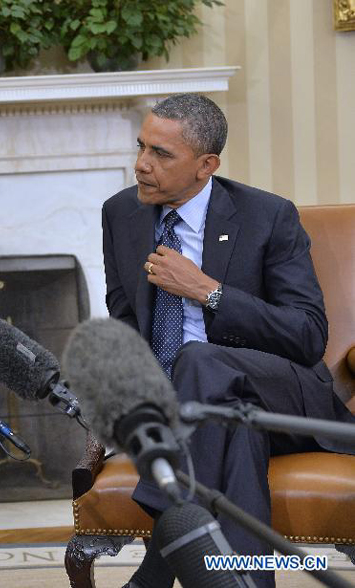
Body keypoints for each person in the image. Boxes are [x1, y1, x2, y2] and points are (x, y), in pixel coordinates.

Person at [101, 93, 355, 588]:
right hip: (202, 409)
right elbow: (125, 318)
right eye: (141, 147)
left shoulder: (268, 216)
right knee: (232, 433)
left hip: (284, 395)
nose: (141, 165)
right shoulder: (121, 214)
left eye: (161, 154)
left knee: (201, 361)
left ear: (206, 165)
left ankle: (155, 567)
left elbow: (306, 337)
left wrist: (208, 292)